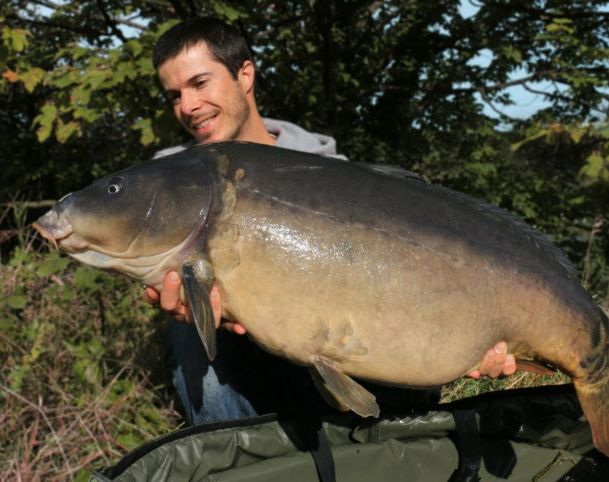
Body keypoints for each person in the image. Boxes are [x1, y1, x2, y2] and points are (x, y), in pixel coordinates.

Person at [144, 17, 516, 424]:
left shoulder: (331, 174)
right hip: (251, 373)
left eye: (200, 83)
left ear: (244, 75)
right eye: (174, 95)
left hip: (357, 359)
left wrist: (476, 341)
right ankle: (244, 458)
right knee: (187, 336)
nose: (188, 106)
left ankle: (385, 444)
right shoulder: (172, 184)